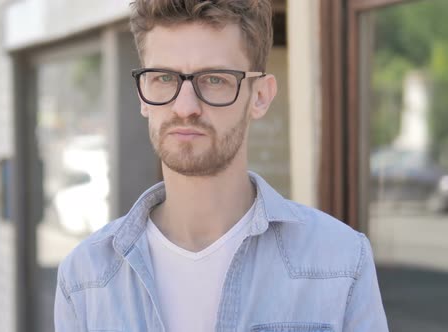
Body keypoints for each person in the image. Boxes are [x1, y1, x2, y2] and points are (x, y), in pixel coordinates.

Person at [54, 0, 389, 331]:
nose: (185, 107)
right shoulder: (85, 278)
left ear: (259, 96)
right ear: (142, 94)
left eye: (214, 80)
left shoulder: (341, 261)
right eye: (164, 79)